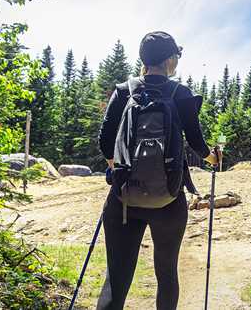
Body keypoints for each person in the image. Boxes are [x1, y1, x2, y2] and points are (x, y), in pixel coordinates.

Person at [96, 31, 219, 310]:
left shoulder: (124, 90)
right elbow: (198, 144)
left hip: (124, 201)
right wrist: (213, 158)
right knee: (166, 274)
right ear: (169, 60)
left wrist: (119, 171)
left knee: (117, 277)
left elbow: (105, 141)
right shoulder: (181, 94)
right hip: (170, 200)